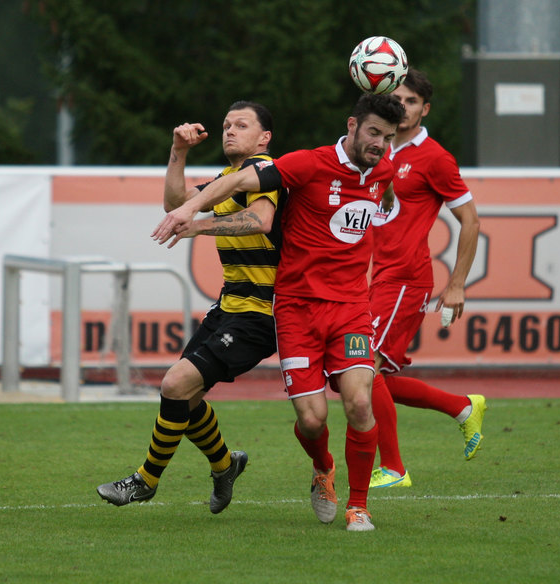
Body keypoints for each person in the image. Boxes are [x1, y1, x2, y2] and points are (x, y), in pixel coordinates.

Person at [152, 93, 404, 532]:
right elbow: (234, 183)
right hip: (296, 309)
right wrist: (191, 207)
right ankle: (323, 469)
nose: (381, 144)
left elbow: (385, 190)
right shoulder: (307, 163)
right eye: (373, 133)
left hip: (350, 308)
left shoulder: (382, 169)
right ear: (352, 126)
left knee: (360, 403)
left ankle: (358, 506)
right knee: (311, 420)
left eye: (388, 137)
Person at [97, 101, 286, 513]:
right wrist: (178, 152)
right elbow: (175, 202)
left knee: (174, 385)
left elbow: (260, 221)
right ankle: (225, 464)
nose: (229, 131)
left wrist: (196, 224)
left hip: (260, 313)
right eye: (226, 125)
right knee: (186, 396)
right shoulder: (228, 178)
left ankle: (145, 481)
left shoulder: (264, 174)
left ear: (264, 137)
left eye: (241, 125)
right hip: (229, 305)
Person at [367, 67, 486, 490]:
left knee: (363, 367)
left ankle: (395, 467)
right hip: (375, 277)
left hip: (405, 278)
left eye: (411, 101)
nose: (402, 108)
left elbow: (470, 222)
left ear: (425, 108)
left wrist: (456, 285)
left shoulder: (434, 157)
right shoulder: (376, 148)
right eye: (396, 99)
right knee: (370, 376)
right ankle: (462, 408)